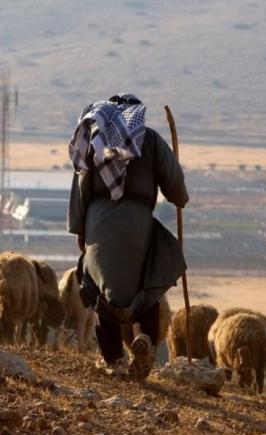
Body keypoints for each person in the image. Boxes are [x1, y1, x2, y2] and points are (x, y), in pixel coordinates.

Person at [67, 93, 188, 380]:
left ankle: (114, 360)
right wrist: (180, 198)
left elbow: (81, 185)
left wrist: (80, 229)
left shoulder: (95, 140)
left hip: (99, 223)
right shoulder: (150, 139)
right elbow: (173, 181)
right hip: (138, 223)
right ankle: (144, 337)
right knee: (146, 285)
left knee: (100, 290)